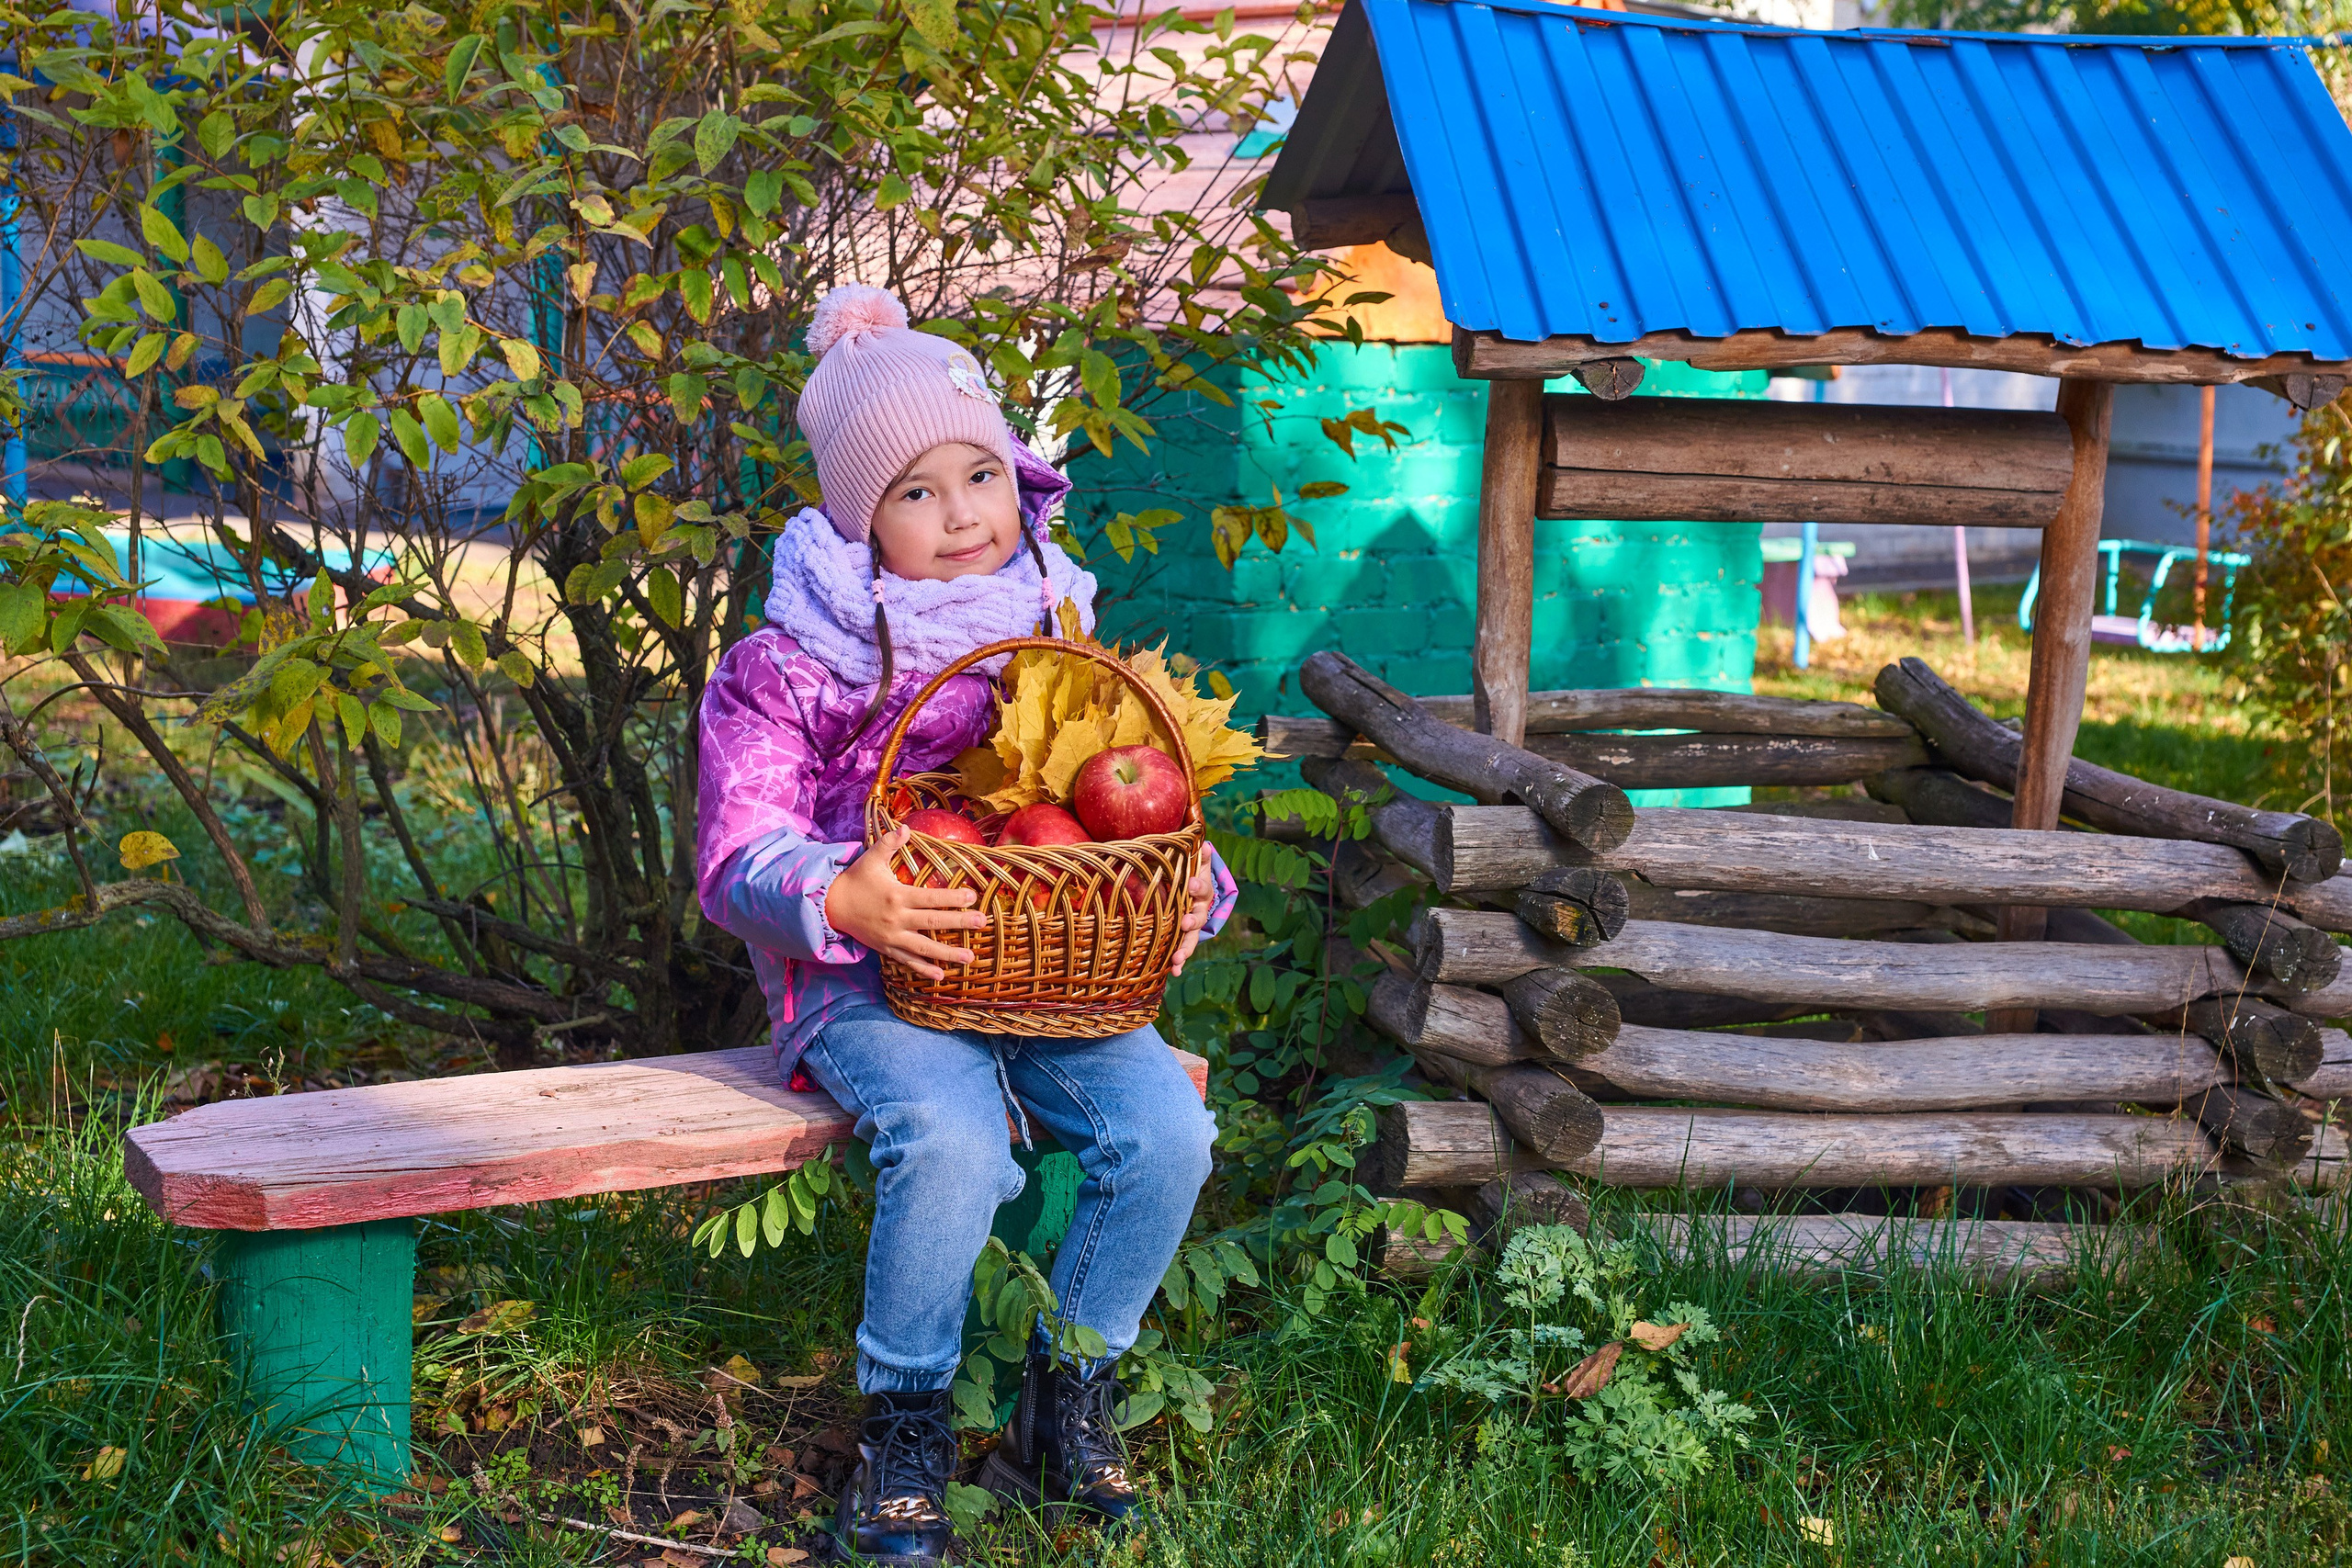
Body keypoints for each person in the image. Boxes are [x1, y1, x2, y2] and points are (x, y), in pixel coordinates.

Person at [696, 284, 1234, 1563]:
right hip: (872, 975)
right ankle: (905, 1425)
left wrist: (1178, 886)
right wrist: (840, 894)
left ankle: (1069, 1394)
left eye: (979, 474)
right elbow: (734, 854)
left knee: (1167, 1133)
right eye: (916, 492)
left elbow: (1121, 797)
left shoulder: (1058, 629)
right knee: (952, 1140)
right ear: (855, 516)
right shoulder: (793, 660)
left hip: (1052, 969)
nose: (960, 516)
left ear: (1020, 479)